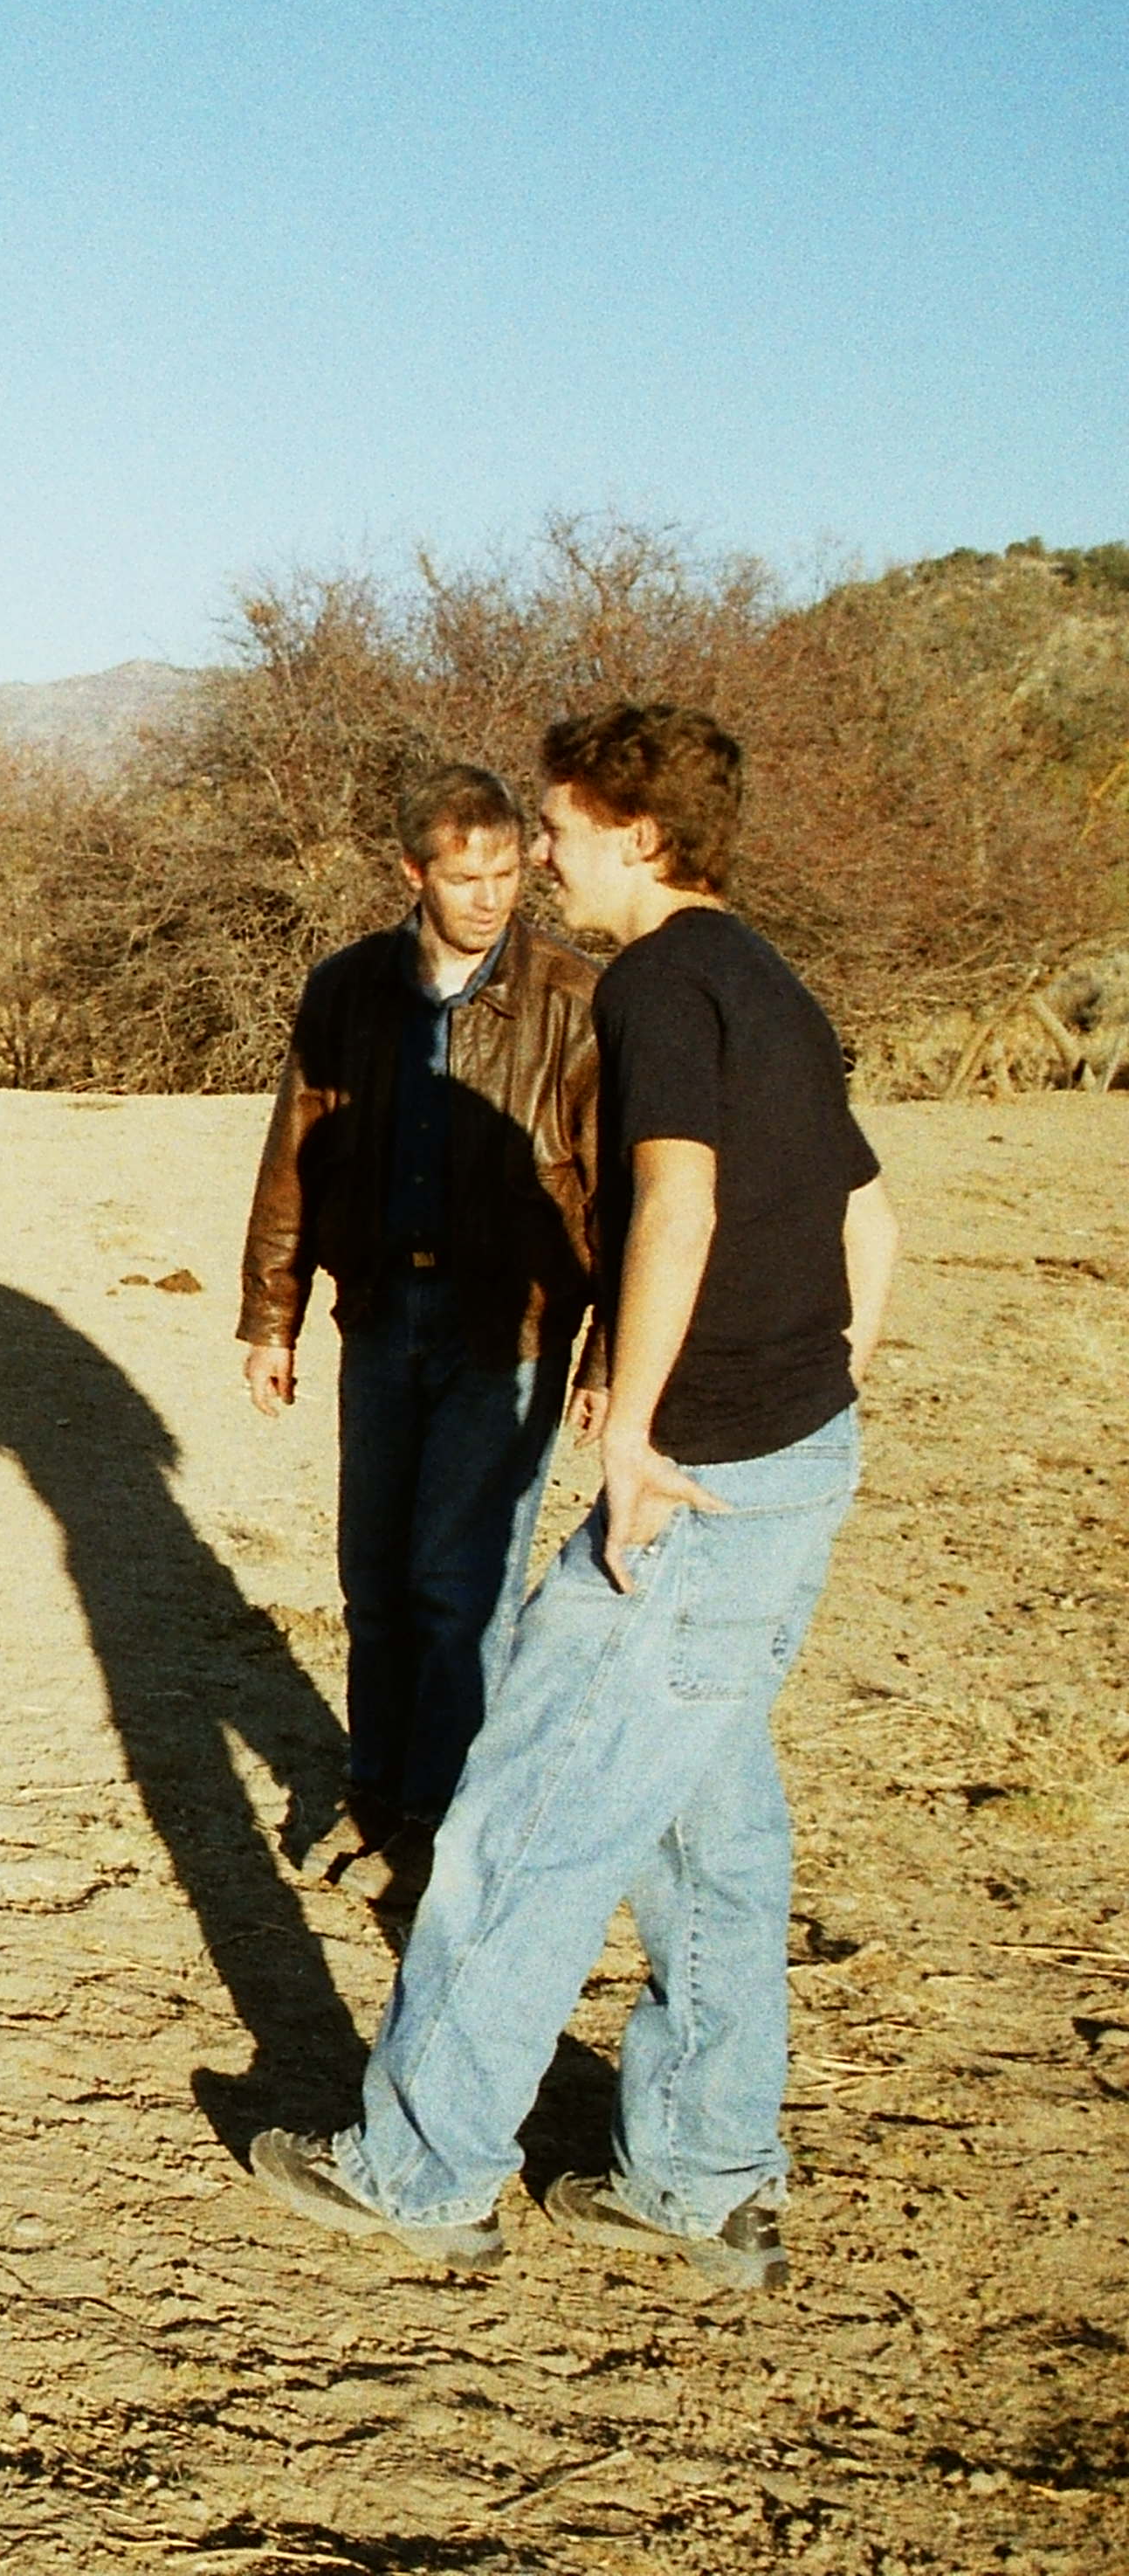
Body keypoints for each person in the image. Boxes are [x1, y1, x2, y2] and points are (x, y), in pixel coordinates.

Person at [252, 704, 899, 2293]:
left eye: (557, 830)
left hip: (696, 1482)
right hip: (788, 1463)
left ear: (639, 834)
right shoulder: (767, 978)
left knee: (520, 1819)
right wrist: (815, 1388)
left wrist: (638, 1428)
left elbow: (673, 1201)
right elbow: (868, 1215)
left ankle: (419, 2170)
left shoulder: (658, 984)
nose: (539, 858)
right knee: (709, 1828)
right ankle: (700, 2173)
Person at [239, 761, 608, 1899]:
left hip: (512, 1330)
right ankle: (375, 1794)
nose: (490, 898)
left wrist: (608, 1353)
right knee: (373, 1578)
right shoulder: (347, 990)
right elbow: (295, 1154)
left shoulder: (576, 998)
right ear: (413, 873)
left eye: (506, 874)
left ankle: (446, 1826)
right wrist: (271, 1315)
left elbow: (619, 1195)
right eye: (463, 877)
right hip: (381, 1316)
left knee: (460, 1585)